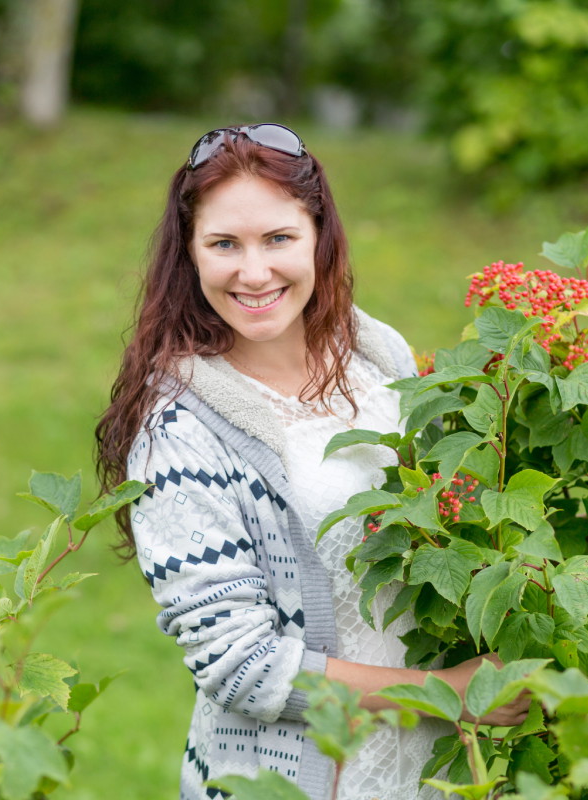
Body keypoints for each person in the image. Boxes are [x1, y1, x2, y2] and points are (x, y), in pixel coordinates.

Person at [95, 123, 530, 800]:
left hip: (438, 773)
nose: (254, 271)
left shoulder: (374, 354)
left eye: (278, 239)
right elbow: (242, 665)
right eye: (224, 245)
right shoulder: (180, 431)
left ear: (319, 238)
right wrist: (447, 694)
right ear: (191, 255)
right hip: (295, 779)